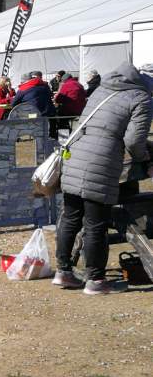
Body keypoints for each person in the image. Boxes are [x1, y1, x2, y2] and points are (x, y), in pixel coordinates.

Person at [53, 63, 152, 295]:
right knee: (96, 224)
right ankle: (96, 280)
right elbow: (134, 141)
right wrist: (145, 158)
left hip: (75, 156)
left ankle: (63, 272)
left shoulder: (102, 88)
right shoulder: (141, 98)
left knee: (71, 217)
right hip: (101, 162)